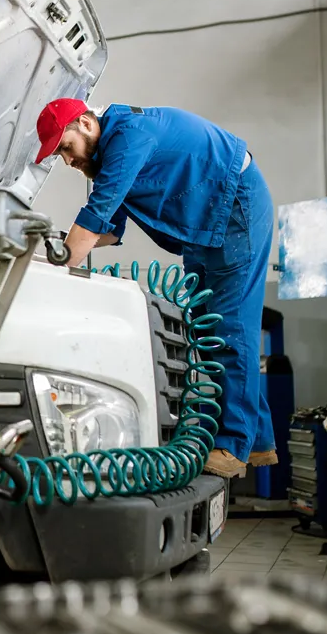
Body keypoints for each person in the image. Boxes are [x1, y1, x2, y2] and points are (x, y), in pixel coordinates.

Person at [34, 98, 276, 479]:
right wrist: (55, 245)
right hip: (206, 223)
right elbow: (109, 230)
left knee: (230, 328)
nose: (68, 161)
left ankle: (233, 446)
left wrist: (48, 276)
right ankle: (259, 440)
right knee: (209, 329)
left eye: (66, 148)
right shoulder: (112, 152)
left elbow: (96, 215)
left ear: (84, 123)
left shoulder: (129, 137)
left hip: (234, 207)